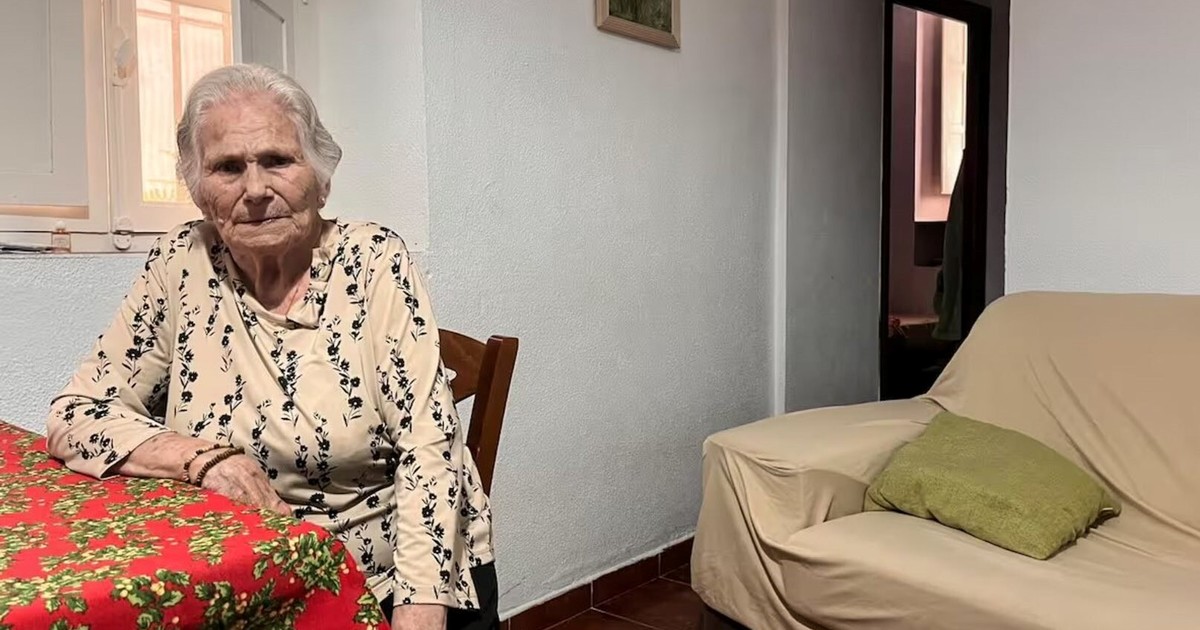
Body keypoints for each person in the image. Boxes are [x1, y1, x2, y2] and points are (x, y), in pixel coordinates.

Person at [44, 63, 497, 630]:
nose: (255, 190)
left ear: (320, 179)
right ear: (199, 191)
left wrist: (418, 613)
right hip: (244, 580)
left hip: (382, 578)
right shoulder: (182, 262)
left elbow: (430, 448)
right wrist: (203, 460)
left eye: (278, 161)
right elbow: (76, 416)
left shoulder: (374, 261)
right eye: (228, 167)